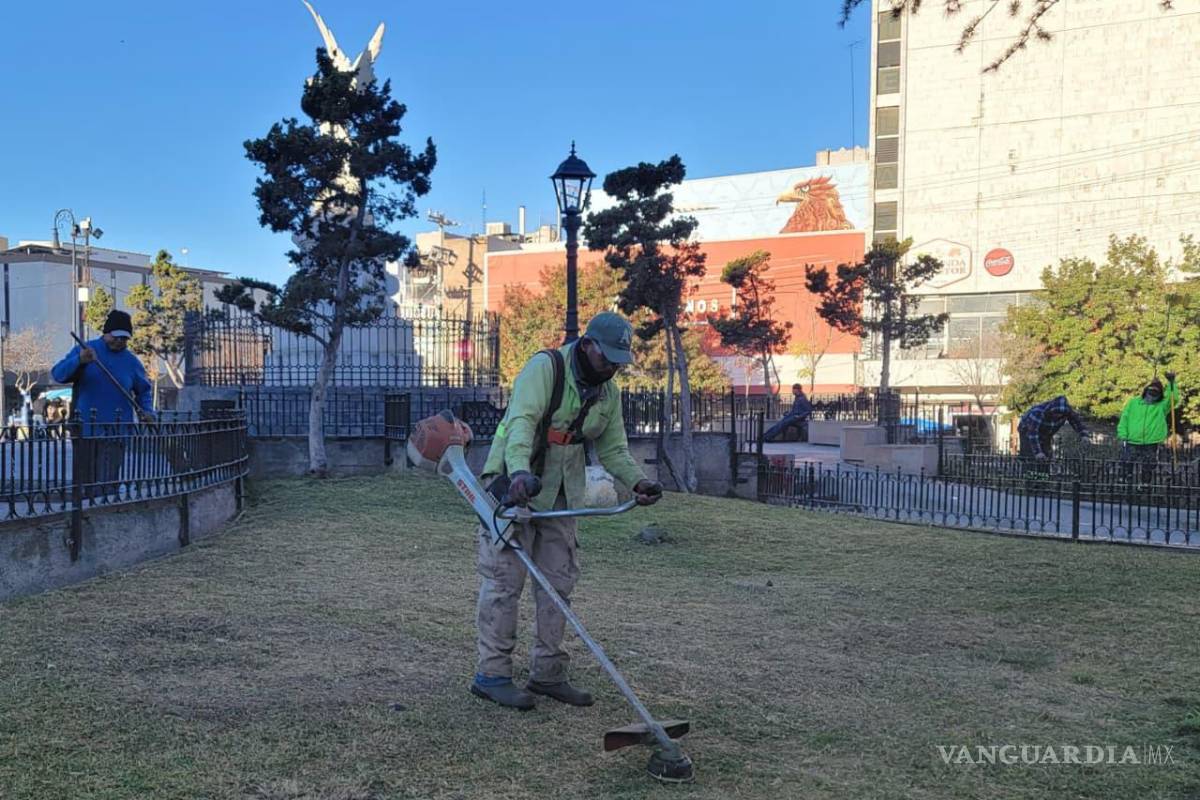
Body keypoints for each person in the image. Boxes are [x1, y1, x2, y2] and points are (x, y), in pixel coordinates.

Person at [472, 312, 663, 710]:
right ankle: (492, 674)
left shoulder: (607, 393)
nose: (612, 367)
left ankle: (548, 674)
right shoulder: (546, 368)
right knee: (505, 581)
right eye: (607, 357)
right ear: (588, 344)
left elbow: (612, 449)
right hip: (514, 486)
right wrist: (520, 472)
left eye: (618, 361)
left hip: (560, 494)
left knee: (558, 583)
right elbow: (521, 423)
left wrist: (638, 481)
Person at [51, 310, 155, 492]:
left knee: (107, 485)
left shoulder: (131, 362)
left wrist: (147, 410)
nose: (120, 342)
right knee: (85, 485)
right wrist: (79, 361)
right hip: (85, 430)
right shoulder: (86, 350)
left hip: (116, 432)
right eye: (116, 337)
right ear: (106, 333)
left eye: (124, 338)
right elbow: (58, 374)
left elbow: (143, 391)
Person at [1117, 372, 1179, 483]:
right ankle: (1125, 485)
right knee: (1126, 464)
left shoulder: (1161, 406)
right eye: (1150, 392)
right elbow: (1124, 419)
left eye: (1156, 393)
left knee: (1148, 467)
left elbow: (1173, 399)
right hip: (1132, 440)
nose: (1152, 395)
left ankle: (1145, 486)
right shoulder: (1133, 403)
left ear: (1159, 395)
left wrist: (1171, 383)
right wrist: (1122, 435)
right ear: (1145, 391)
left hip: (1151, 442)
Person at [1017, 395, 1088, 461]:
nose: (1058, 416)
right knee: (1031, 456)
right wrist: (1037, 452)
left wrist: (1083, 435)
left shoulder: (1067, 412)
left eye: (1061, 415)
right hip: (1027, 431)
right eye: (1056, 413)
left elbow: (1077, 422)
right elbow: (1033, 433)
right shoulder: (1038, 413)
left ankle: (1044, 472)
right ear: (1051, 410)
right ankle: (1028, 471)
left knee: (1046, 455)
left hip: (1046, 433)